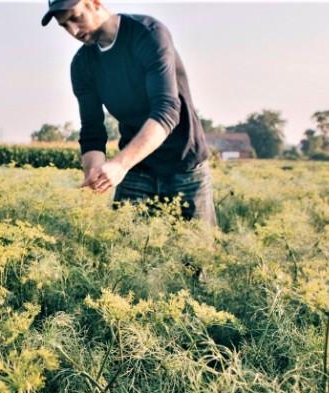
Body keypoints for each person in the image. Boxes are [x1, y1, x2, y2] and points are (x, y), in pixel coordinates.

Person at [42, 0, 217, 226]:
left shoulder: (148, 34)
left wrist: (119, 165)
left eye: (75, 18)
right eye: (64, 26)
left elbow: (167, 110)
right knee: (126, 251)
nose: (73, 31)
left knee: (196, 256)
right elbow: (92, 131)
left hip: (184, 167)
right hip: (137, 172)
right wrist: (94, 172)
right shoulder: (82, 65)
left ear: (94, 3)